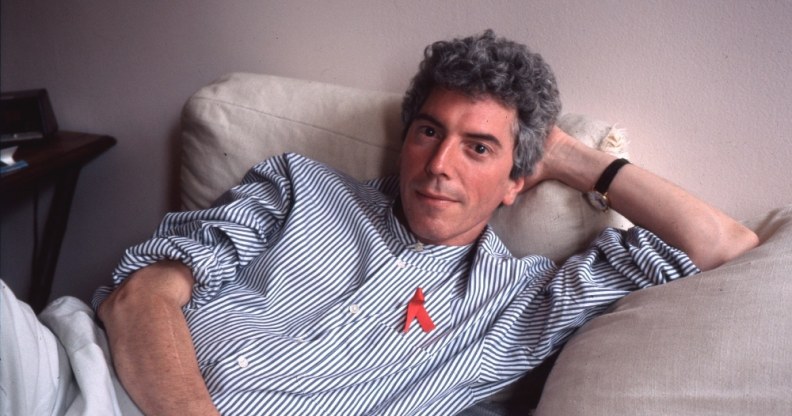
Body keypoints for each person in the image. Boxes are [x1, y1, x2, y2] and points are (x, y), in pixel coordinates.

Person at [92, 30, 758, 416]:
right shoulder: (298, 187)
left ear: (516, 180)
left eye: (478, 147)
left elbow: (725, 245)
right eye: (428, 131)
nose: (439, 164)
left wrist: (579, 160)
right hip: (89, 373)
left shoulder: (520, 301)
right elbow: (142, 294)